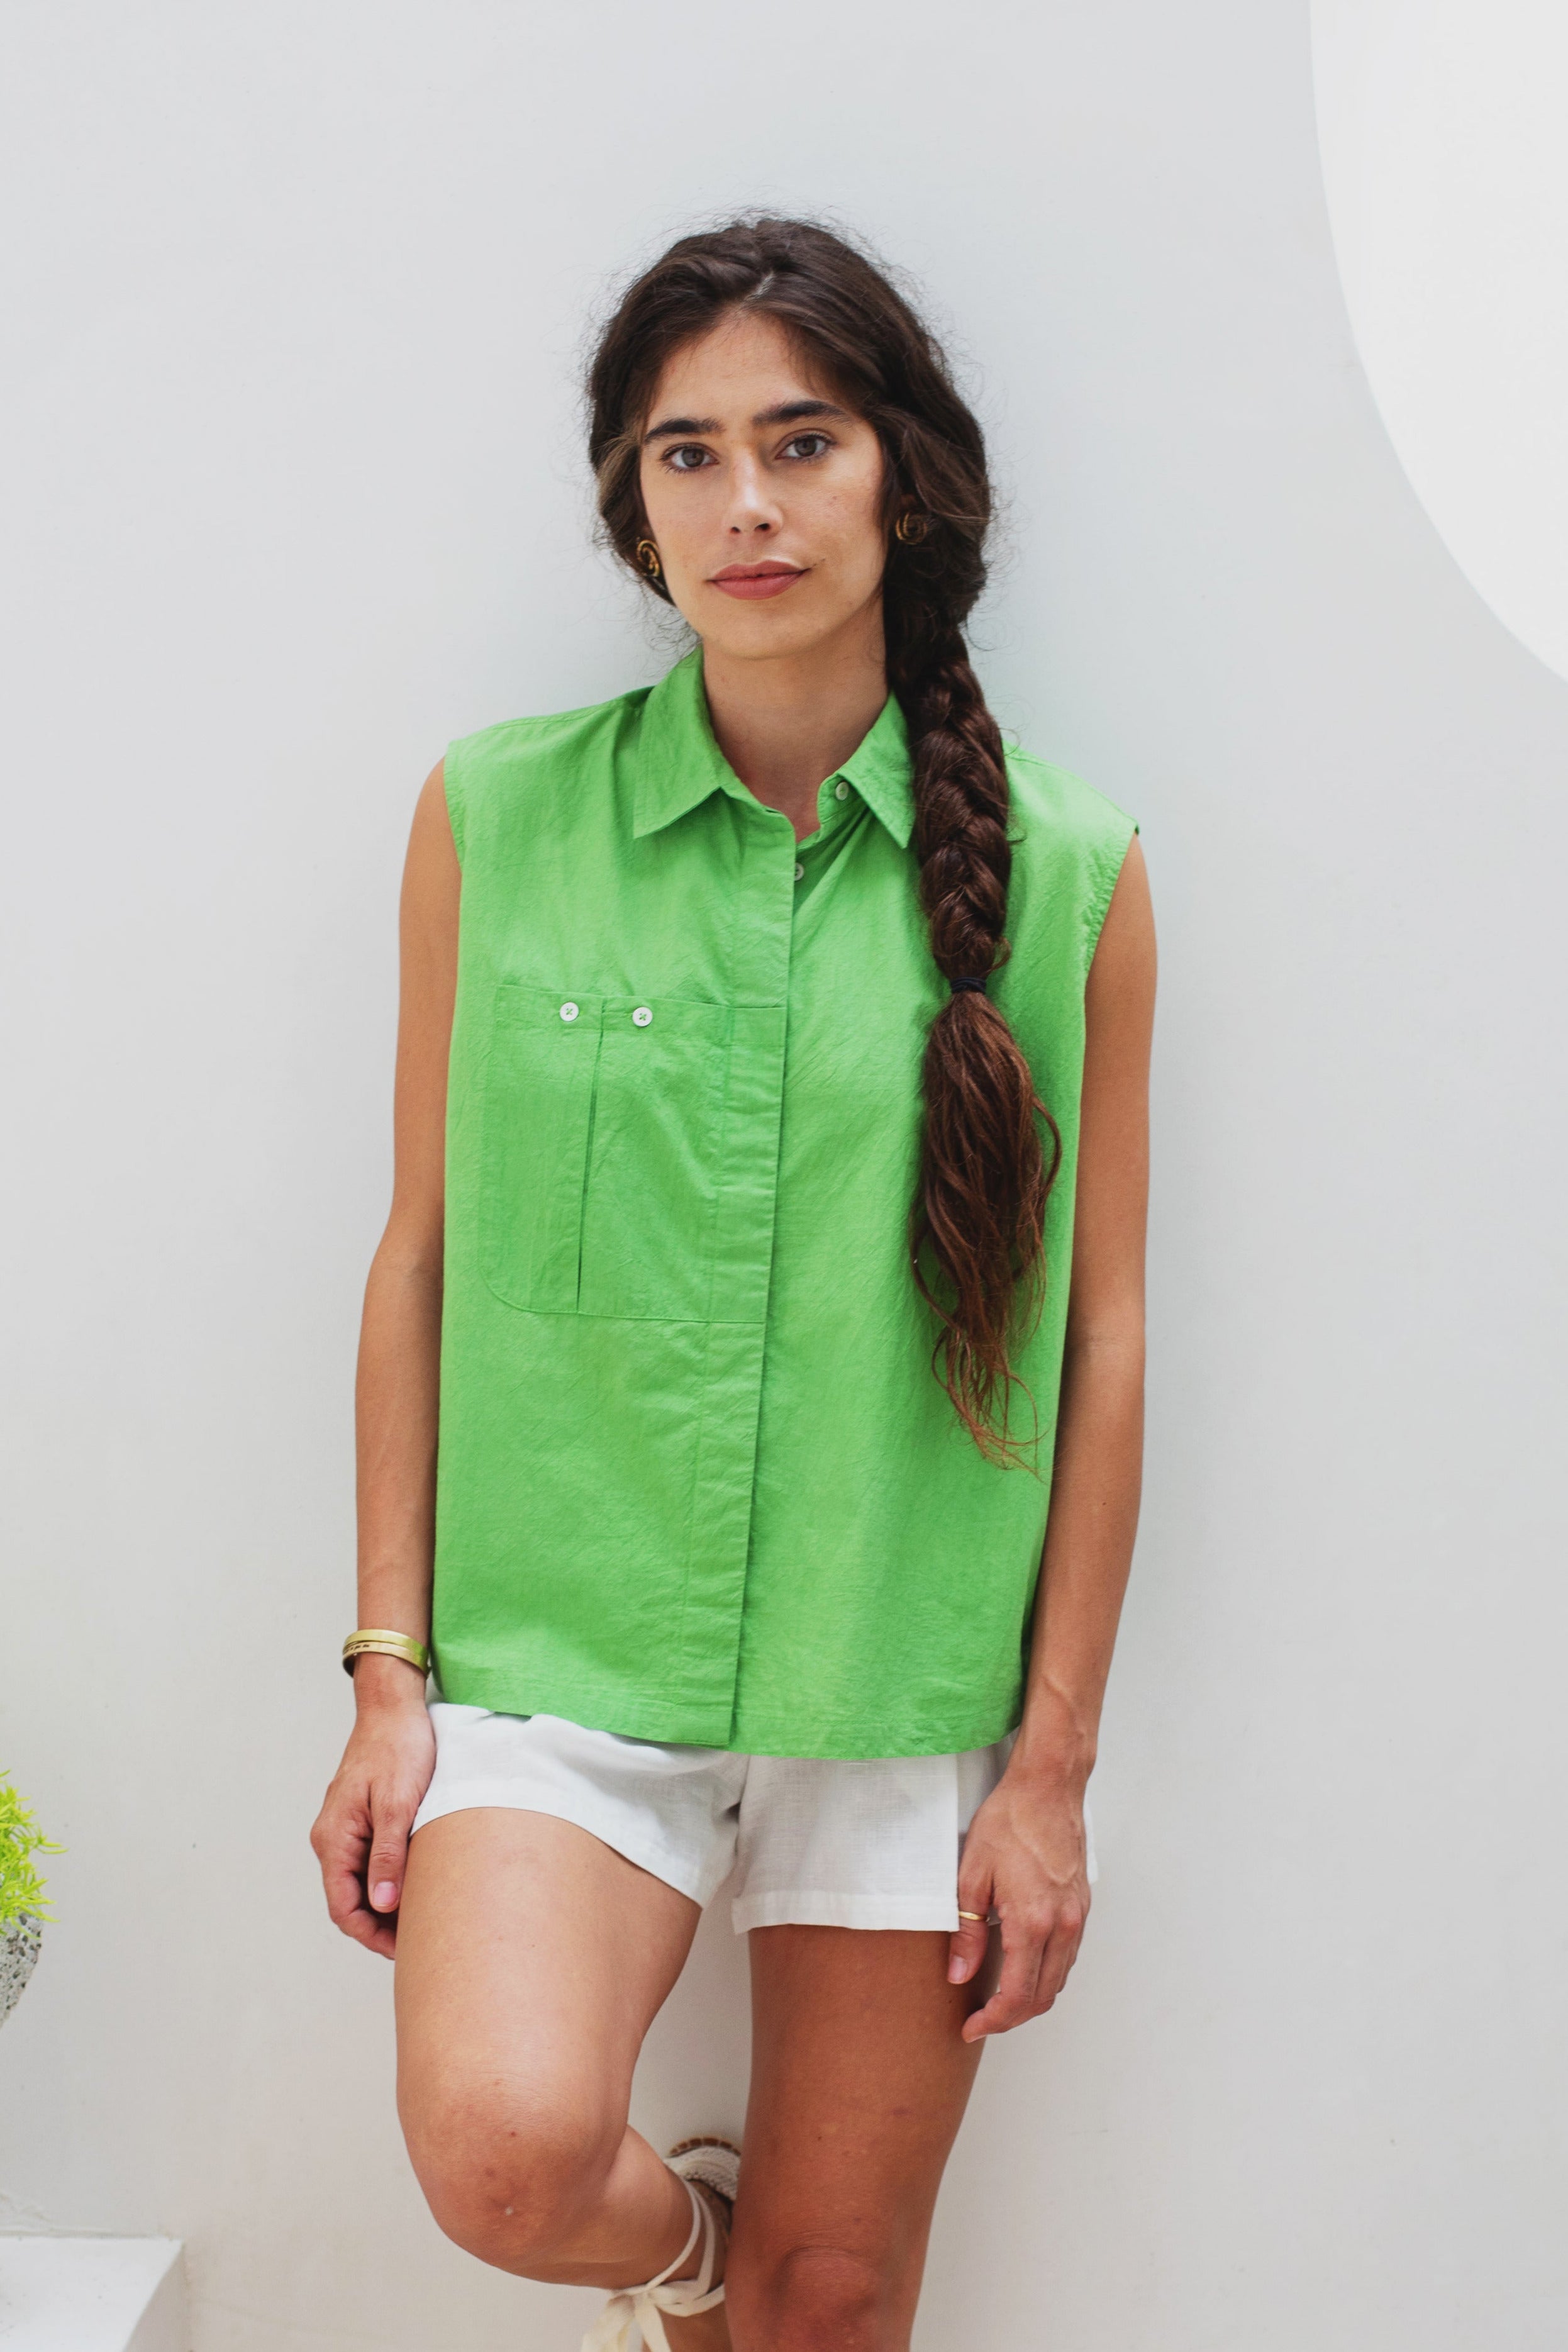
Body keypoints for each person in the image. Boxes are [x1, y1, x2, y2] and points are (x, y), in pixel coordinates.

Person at [311, 215, 1155, 2352]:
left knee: (836, 2304)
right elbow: (419, 1253)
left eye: (802, 441)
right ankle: (689, 2258)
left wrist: (1049, 1771)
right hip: (562, 1647)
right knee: (506, 2153)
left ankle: (765, 2287)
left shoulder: (1070, 872)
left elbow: (1100, 1337)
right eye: (686, 454)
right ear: (635, 504)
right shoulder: (497, 818)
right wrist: (391, 1674)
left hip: (900, 1658)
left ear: (905, 481)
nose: (745, 504)